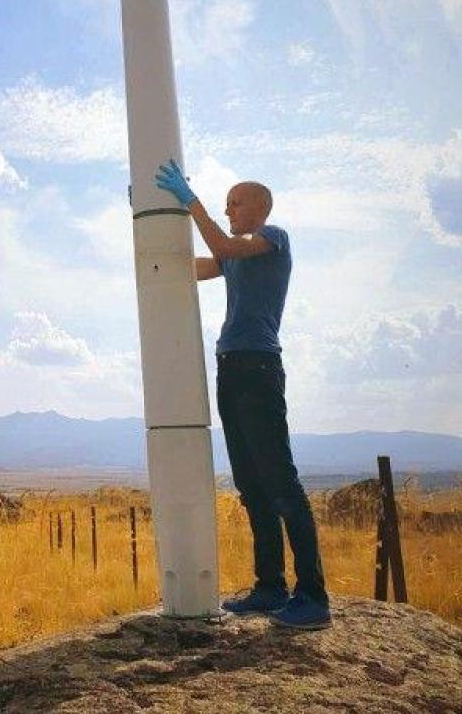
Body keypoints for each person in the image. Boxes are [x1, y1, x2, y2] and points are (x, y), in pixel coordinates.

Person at [155, 159, 331, 630]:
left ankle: (313, 596)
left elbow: (222, 245)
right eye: (226, 203)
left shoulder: (274, 238)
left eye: (236, 202)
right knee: (251, 485)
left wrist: (190, 201)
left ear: (261, 207)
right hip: (231, 368)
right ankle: (270, 587)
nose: (228, 208)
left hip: (258, 368)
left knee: (280, 482)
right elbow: (186, 268)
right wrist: (151, 221)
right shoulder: (234, 256)